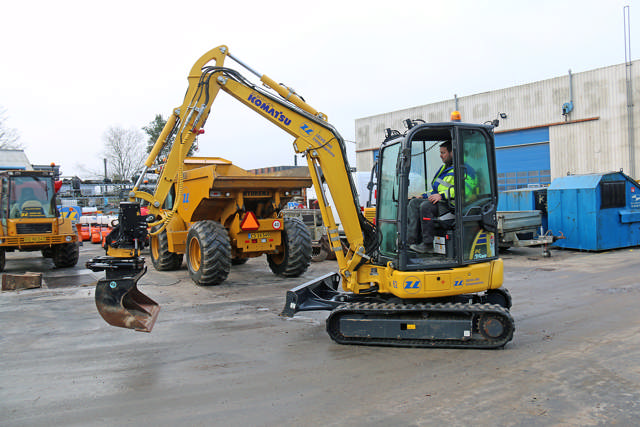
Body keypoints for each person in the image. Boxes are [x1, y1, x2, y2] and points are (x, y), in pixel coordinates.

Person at [407, 141, 455, 253]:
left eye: (443, 153)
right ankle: (410, 241)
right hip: (440, 202)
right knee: (414, 203)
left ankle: (428, 244)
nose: (441, 156)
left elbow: (462, 189)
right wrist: (422, 195)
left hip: (451, 205)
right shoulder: (444, 168)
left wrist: (442, 195)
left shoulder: (461, 169)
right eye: (440, 153)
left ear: (452, 152)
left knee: (426, 206)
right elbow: (435, 190)